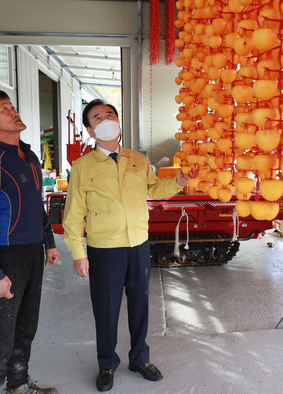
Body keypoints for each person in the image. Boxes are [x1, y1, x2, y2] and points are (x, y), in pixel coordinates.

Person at [62, 99, 189, 392]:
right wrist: (78, 254)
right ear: (90, 131)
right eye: (97, 117)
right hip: (105, 248)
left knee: (140, 305)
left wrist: (178, 182)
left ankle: (139, 359)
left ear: (118, 122)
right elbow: (73, 215)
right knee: (105, 309)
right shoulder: (82, 167)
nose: (105, 119)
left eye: (109, 114)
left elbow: (155, 190)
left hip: (138, 244)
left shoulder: (137, 159)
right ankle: (107, 363)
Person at [0, 90, 61, 394]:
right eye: (4, 109)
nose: (14, 111)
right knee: (0, 337)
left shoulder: (29, 156)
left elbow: (36, 204)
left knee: (25, 328)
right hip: (4, 257)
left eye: (12, 106)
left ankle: (17, 385)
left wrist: (48, 242)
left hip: (33, 253)